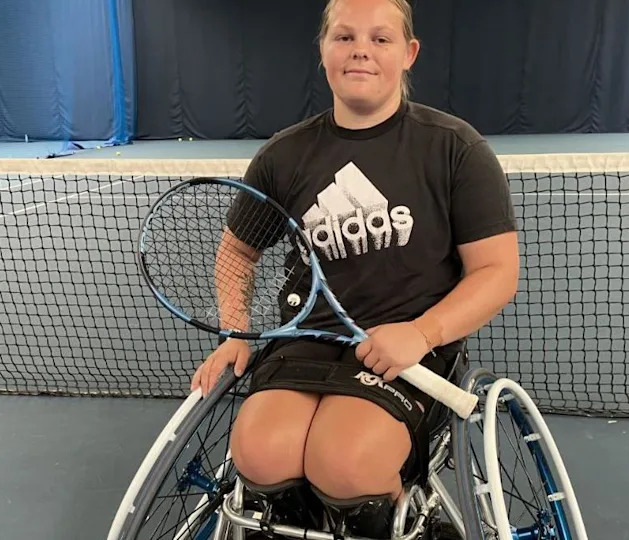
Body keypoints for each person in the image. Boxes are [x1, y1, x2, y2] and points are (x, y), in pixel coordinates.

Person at [191, 0, 520, 536]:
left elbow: (496, 271)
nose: (360, 49)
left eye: (380, 39)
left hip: (410, 353)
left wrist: (420, 332)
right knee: (260, 454)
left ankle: (415, 524)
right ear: (323, 52)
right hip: (305, 340)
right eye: (343, 37)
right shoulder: (285, 154)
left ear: (408, 53)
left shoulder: (455, 148)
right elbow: (237, 252)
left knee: (344, 462)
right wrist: (235, 331)